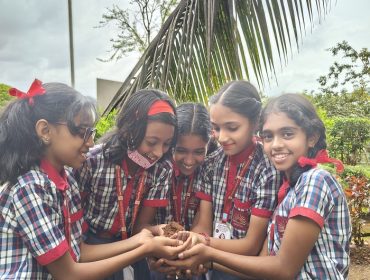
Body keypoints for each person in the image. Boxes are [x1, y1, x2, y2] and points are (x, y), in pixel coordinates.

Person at [0, 80, 190, 280]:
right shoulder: (30, 188)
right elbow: (68, 273)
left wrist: (142, 240)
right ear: (45, 131)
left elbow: (79, 251)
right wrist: (143, 248)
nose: (91, 142)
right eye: (83, 133)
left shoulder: (65, 183)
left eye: (90, 133)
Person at [166, 93, 351, 279]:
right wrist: (207, 261)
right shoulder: (288, 188)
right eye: (268, 136)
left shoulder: (315, 181)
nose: (276, 145)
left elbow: (283, 269)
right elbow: (264, 265)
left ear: (312, 137)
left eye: (287, 134)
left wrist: (208, 252)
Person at [74, 88, 179, 279]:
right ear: (128, 130)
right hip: (92, 246)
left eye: (166, 144)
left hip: (133, 242)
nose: (158, 152)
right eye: (151, 142)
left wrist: (164, 230)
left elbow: (141, 227)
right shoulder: (92, 162)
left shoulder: (161, 170)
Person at [185, 80, 282, 280]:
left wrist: (202, 244)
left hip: (243, 269)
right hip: (208, 262)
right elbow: (203, 223)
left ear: (255, 123)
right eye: (216, 128)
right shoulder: (211, 162)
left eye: (232, 127)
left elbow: (251, 245)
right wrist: (192, 243)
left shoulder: (267, 170)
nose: (221, 137)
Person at [150, 102, 212, 279]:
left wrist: (189, 251)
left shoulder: (208, 171)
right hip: (158, 257)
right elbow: (142, 225)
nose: (190, 161)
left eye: (199, 151)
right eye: (181, 151)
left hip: (195, 256)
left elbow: (203, 225)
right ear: (171, 145)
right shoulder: (159, 170)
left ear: (209, 143)